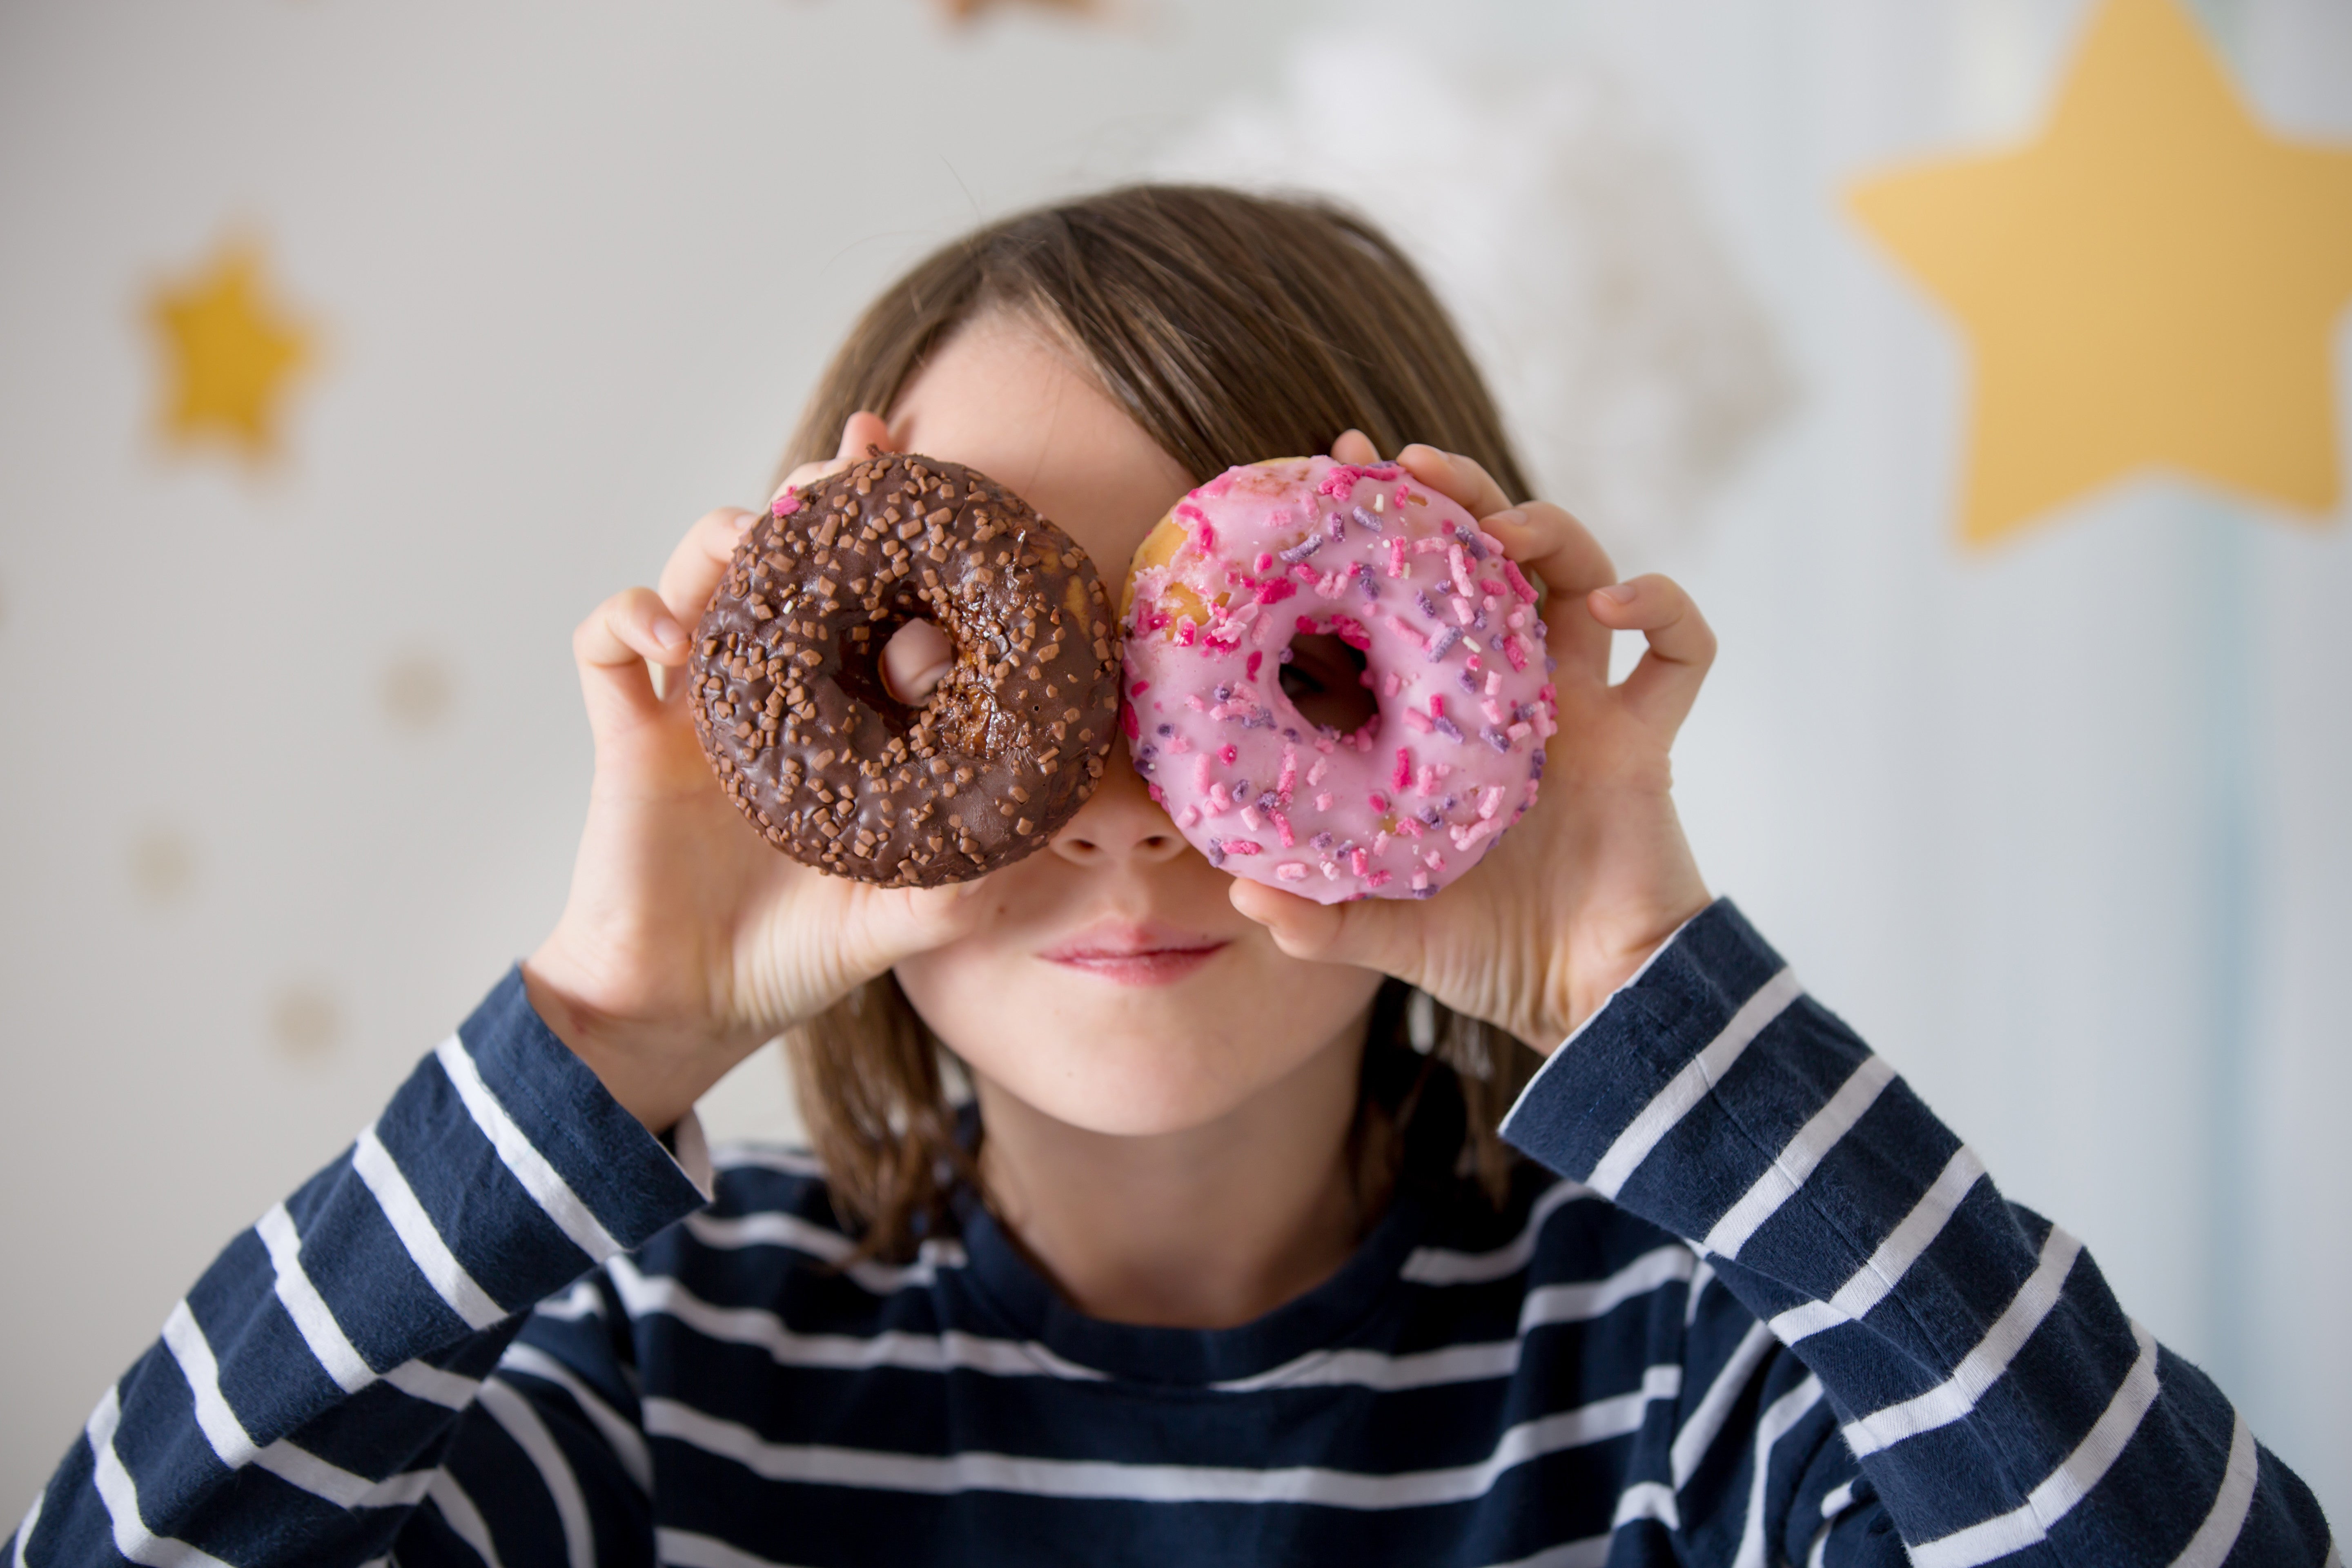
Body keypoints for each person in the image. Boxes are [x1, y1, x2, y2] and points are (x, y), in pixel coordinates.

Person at [8, 185, 2332, 1568]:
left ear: (1458, 680)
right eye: (970, 662)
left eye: (1259, 675)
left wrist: (1651, 983)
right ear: (806, 710)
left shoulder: (1683, 1377)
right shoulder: (653, 1370)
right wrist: (607, 1029)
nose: (1124, 798)